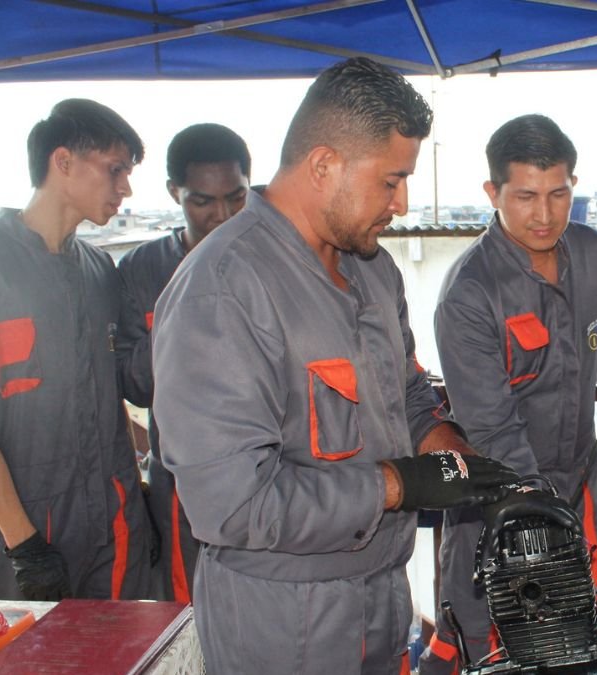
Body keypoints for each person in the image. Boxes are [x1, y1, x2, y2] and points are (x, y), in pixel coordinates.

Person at [151, 57, 519, 674]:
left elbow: (406, 392)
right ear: (324, 165)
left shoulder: (373, 268)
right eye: (390, 180)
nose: (401, 203)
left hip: (380, 593)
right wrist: (399, 484)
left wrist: (454, 458)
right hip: (279, 616)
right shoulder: (223, 291)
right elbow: (233, 506)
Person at [421, 114, 597, 673]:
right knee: (495, 652)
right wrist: (550, 524)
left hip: (584, 493)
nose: (546, 213)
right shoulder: (468, 294)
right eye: (526, 196)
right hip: (497, 511)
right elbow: (491, 427)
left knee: (590, 648)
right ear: (493, 193)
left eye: (559, 193)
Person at [0, 98, 154, 601]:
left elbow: (105, 397)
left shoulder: (98, 271)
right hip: (31, 526)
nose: (125, 188)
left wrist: (143, 476)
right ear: (62, 162)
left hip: (116, 520)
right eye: (115, 170)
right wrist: (24, 547)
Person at [115, 122, 251, 603]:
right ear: (175, 192)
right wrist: (187, 330)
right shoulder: (142, 269)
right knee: (187, 611)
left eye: (236, 198)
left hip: (268, 474)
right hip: (181, 484)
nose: (222, 215)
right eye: (202, 201)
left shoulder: (271, 261)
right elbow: (134, 385)